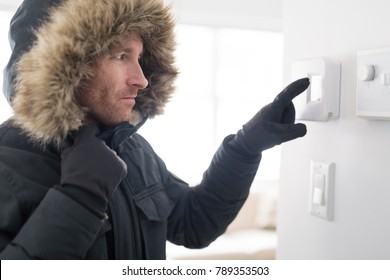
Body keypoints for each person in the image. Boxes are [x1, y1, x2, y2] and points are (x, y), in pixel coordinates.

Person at [0, 0, 309, 260]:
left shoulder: (132, 150)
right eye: (122, 56)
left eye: (139, 58)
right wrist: (79, 197)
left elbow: (194, 223)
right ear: (63, 65)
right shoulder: (7, 160)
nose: (141, 79)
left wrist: (243, 150)